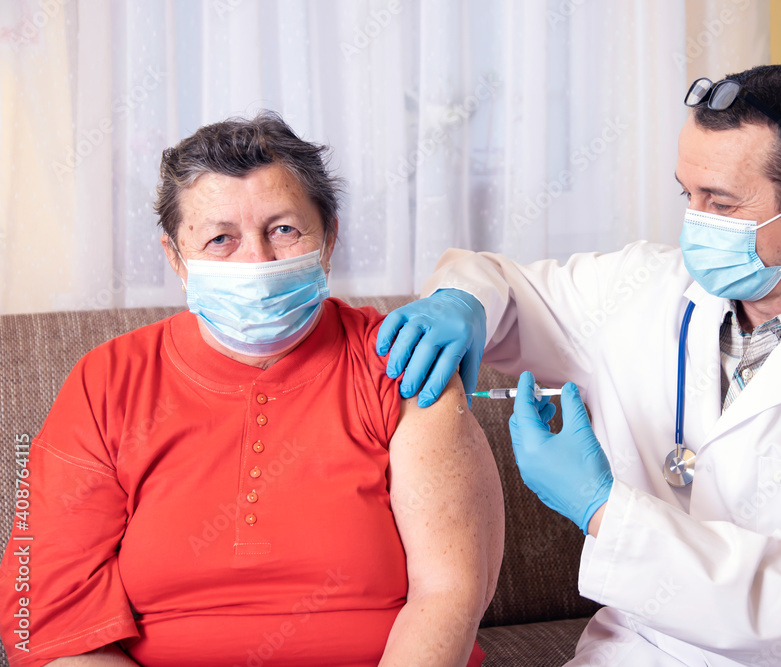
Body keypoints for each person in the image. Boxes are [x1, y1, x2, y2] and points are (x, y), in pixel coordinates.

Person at [375, 65, 781, 666]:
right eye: (686, 194)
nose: (693, 222)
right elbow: (503, 286)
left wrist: (601, 508)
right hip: (640, 653)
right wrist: (461, 301)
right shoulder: (646, 287)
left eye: (719, 202)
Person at [0, 112, 503, 667]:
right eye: (221, 239)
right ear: (176, 259)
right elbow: (50, 613)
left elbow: (448, 594)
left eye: (284, 229)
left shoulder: (402, 363)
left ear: (329, 238)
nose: (257, 261)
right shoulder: (107, 381)